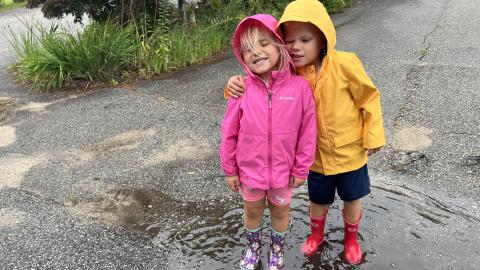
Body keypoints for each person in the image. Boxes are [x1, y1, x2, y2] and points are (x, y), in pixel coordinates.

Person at [224, 0, 385, 265]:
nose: (296, 47)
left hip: (350, 152)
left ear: (323, 38)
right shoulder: (293, 71)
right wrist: (231, 84)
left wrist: (374, 135)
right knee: (317, 199)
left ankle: (351, 239)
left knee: (352, 197)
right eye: (289, 41)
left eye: (306, 39)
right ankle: (316, 235)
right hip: (316, 158)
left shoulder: (345, 64)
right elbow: (256, 85)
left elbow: (369, 97)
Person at [219, 13, 317, 270]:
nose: (256, 52)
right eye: (247, 49)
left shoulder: (300, 88)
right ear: (241, 56)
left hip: (284, 173)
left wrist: (301, 168)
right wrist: (230, 169)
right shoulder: (240, 88)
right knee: (252, 213)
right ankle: (252, 247)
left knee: (281, 213)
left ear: (278, 44)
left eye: (264, 43)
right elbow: (229, 131)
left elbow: (308, 132)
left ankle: (277, 249)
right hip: (250, 172)